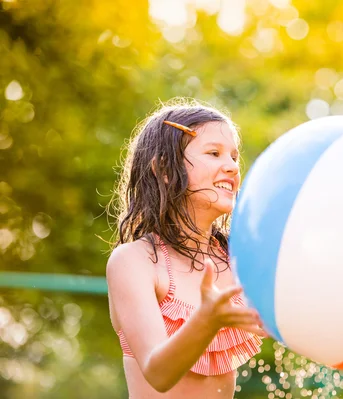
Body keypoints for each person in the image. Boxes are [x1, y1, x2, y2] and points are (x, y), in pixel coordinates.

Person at [106, 98, 265, 398]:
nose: (232, 166)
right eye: (214, 153)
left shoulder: (235, 259)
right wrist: (207, 321)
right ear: (165, 170)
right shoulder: (136, 261)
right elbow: (158, 372)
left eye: (234, 156)